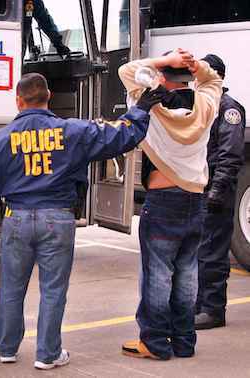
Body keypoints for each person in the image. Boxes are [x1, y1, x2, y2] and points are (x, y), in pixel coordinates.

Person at [0, 73, 165, 370]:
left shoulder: (0, 139)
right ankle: (47, 354)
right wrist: (141, 108)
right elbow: (120, 137)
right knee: (53, 289)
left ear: (18, 101)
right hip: (57, 218)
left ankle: (7, 348)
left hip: (16, 218)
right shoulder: (72, 131)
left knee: (11, 287)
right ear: (48, 98)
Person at [118, 49, 223, 360]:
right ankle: (184, 341)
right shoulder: (205, 105)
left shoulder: (151, 106)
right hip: (195, 198)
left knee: (158, 274)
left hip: (162, 200)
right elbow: (213, 79)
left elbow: (127, 70)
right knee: (188, 273)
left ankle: (154, 342)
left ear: (163, 77)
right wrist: (195, 65)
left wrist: (165, 61)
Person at [196, 54, 246, 330]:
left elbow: (230, 155)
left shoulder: (229, 109)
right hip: (202, 186)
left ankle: (213, 309)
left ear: (216, 75)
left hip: (218, 188)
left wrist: (217, 190)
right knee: (199, 249)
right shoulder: (205, 106)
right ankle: (198, 303)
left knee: (213, 250)